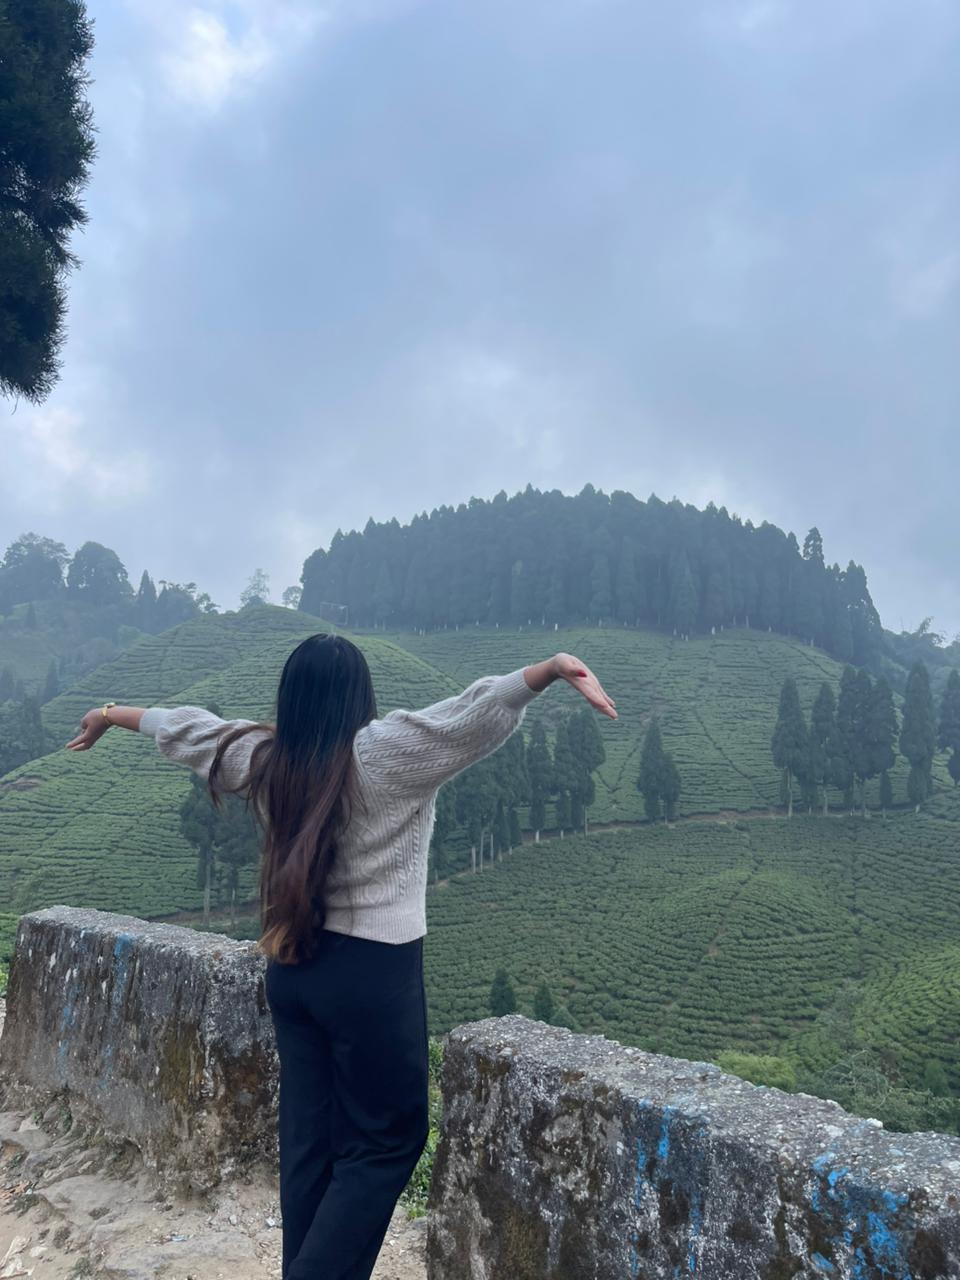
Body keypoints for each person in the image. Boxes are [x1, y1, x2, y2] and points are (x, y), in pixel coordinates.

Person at [65, 636, 617, 1279]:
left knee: (311, 1145)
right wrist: (546, 671)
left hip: (293, 968)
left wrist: (109, 713)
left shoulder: (266, 757)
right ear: (359, 694)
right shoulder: (381, 754)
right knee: (387, 1142)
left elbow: (189, 730)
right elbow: (464, 716)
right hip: (372, 974)